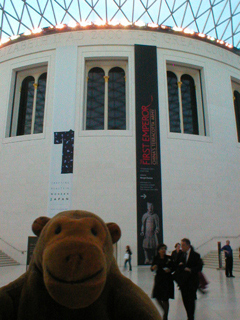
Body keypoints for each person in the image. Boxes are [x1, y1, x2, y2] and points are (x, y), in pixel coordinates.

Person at [174, 238, 203, 320]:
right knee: (185, 300)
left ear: (188, 245)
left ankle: (191, 317)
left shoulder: (196, 255)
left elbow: (199, 267)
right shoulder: (180, 254)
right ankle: (189, 315)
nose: (181, 247)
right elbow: (175, 264)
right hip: (183, 283)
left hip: (192, 282)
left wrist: (191, 270)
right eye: (181, 245)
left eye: (183, 245)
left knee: (191, 300)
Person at [151, 244, 174, 320]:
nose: (163, 250)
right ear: (158, 250)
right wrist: (153, 267)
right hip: (159, 280)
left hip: (167, 280)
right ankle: (165, 311)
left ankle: (165, 316)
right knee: (157, 296)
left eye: (164, 249)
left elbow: (173, 267)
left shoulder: (169, 258)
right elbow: (152, 268)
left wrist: (170, 269)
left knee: (165, 298)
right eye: (162, 249)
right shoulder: (156, 258)